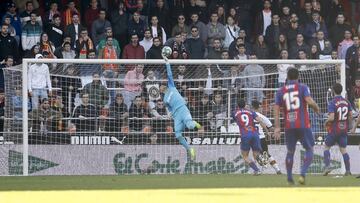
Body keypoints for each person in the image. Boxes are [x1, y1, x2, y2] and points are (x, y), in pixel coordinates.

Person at [274, 68, 320, 185]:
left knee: (290, 151)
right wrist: (316, 108)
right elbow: (309, 101)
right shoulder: (302, 87)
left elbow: (276, 108)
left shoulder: (280, 91)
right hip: (303, 124)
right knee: (309, 149)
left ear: (287, 77)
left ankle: (289, 178)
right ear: (298, 76)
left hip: (289, 125)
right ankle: (302, 173)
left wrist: (277, 127)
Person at [161, 52, 201, 161]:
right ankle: (190, 149)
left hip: (183, 109)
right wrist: (170, 114)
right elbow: (169, 108)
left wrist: (167, 62)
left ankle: (197, 125)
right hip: (176, 115)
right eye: (160, 85)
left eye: (162, 84)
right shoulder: (164, 99)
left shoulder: (171, 86)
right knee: (178, 134)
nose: (161, 86)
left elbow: (169, 74)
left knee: (190, 126)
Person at [323, 83, 352, 176]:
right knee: (343, 149)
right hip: (343, 129)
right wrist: (350, 125)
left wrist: (326, 122)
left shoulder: (332, 102)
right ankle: (348, 171)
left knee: (326, 147)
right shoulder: (347, 102)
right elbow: (351, 115)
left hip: (334, 129)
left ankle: (327, 166)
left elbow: (331, 117)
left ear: (333, 91)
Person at [233, 99, 265, 175]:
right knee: (256, 153)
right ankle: (260, 167)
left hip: (245, 134)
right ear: (245, 105)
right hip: (255, 134)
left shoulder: (234, 113)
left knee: (245, 156)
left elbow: (236, 120)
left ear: (237, 105)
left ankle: (256, 169)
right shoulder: (251, 112)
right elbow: (259, 120)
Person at [251, 100, 281, 174]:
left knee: (257, 154)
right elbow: (270, 127)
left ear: (252, 107)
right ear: (259, 107)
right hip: (261, 138)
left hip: (252, 138)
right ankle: (277, 169)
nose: (261, 108)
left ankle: (260, 169)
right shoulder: (261, 116)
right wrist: (274, 131)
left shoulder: (249, 115)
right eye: (261, 107)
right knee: (266, 154)